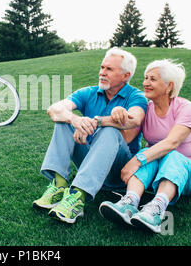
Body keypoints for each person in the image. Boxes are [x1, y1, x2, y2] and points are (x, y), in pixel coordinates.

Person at [32, 47, 147, 224]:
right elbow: (54, 110)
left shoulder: (136, 96)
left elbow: (134, 119)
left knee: (110, 130)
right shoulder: (89, 92)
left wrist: (96, 122)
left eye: (109, 69)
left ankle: (77, 197)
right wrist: (74, 119)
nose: (102, 72)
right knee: (63, 121)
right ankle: (60, 187)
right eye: (102, 67)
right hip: (89, 163)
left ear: (125, 75)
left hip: (119, 173)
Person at [99, 59, 191, 233]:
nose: (145, 83)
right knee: (146, 151)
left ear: (169, 86)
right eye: (146, 78)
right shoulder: (147, 109)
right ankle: (129, 202)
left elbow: (172, 143)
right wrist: (114, 115)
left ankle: (156, 210)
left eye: (152, 79)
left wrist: (137, 161)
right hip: (158, 172)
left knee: (167, 154)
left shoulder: (186, 107)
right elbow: (126, 137)